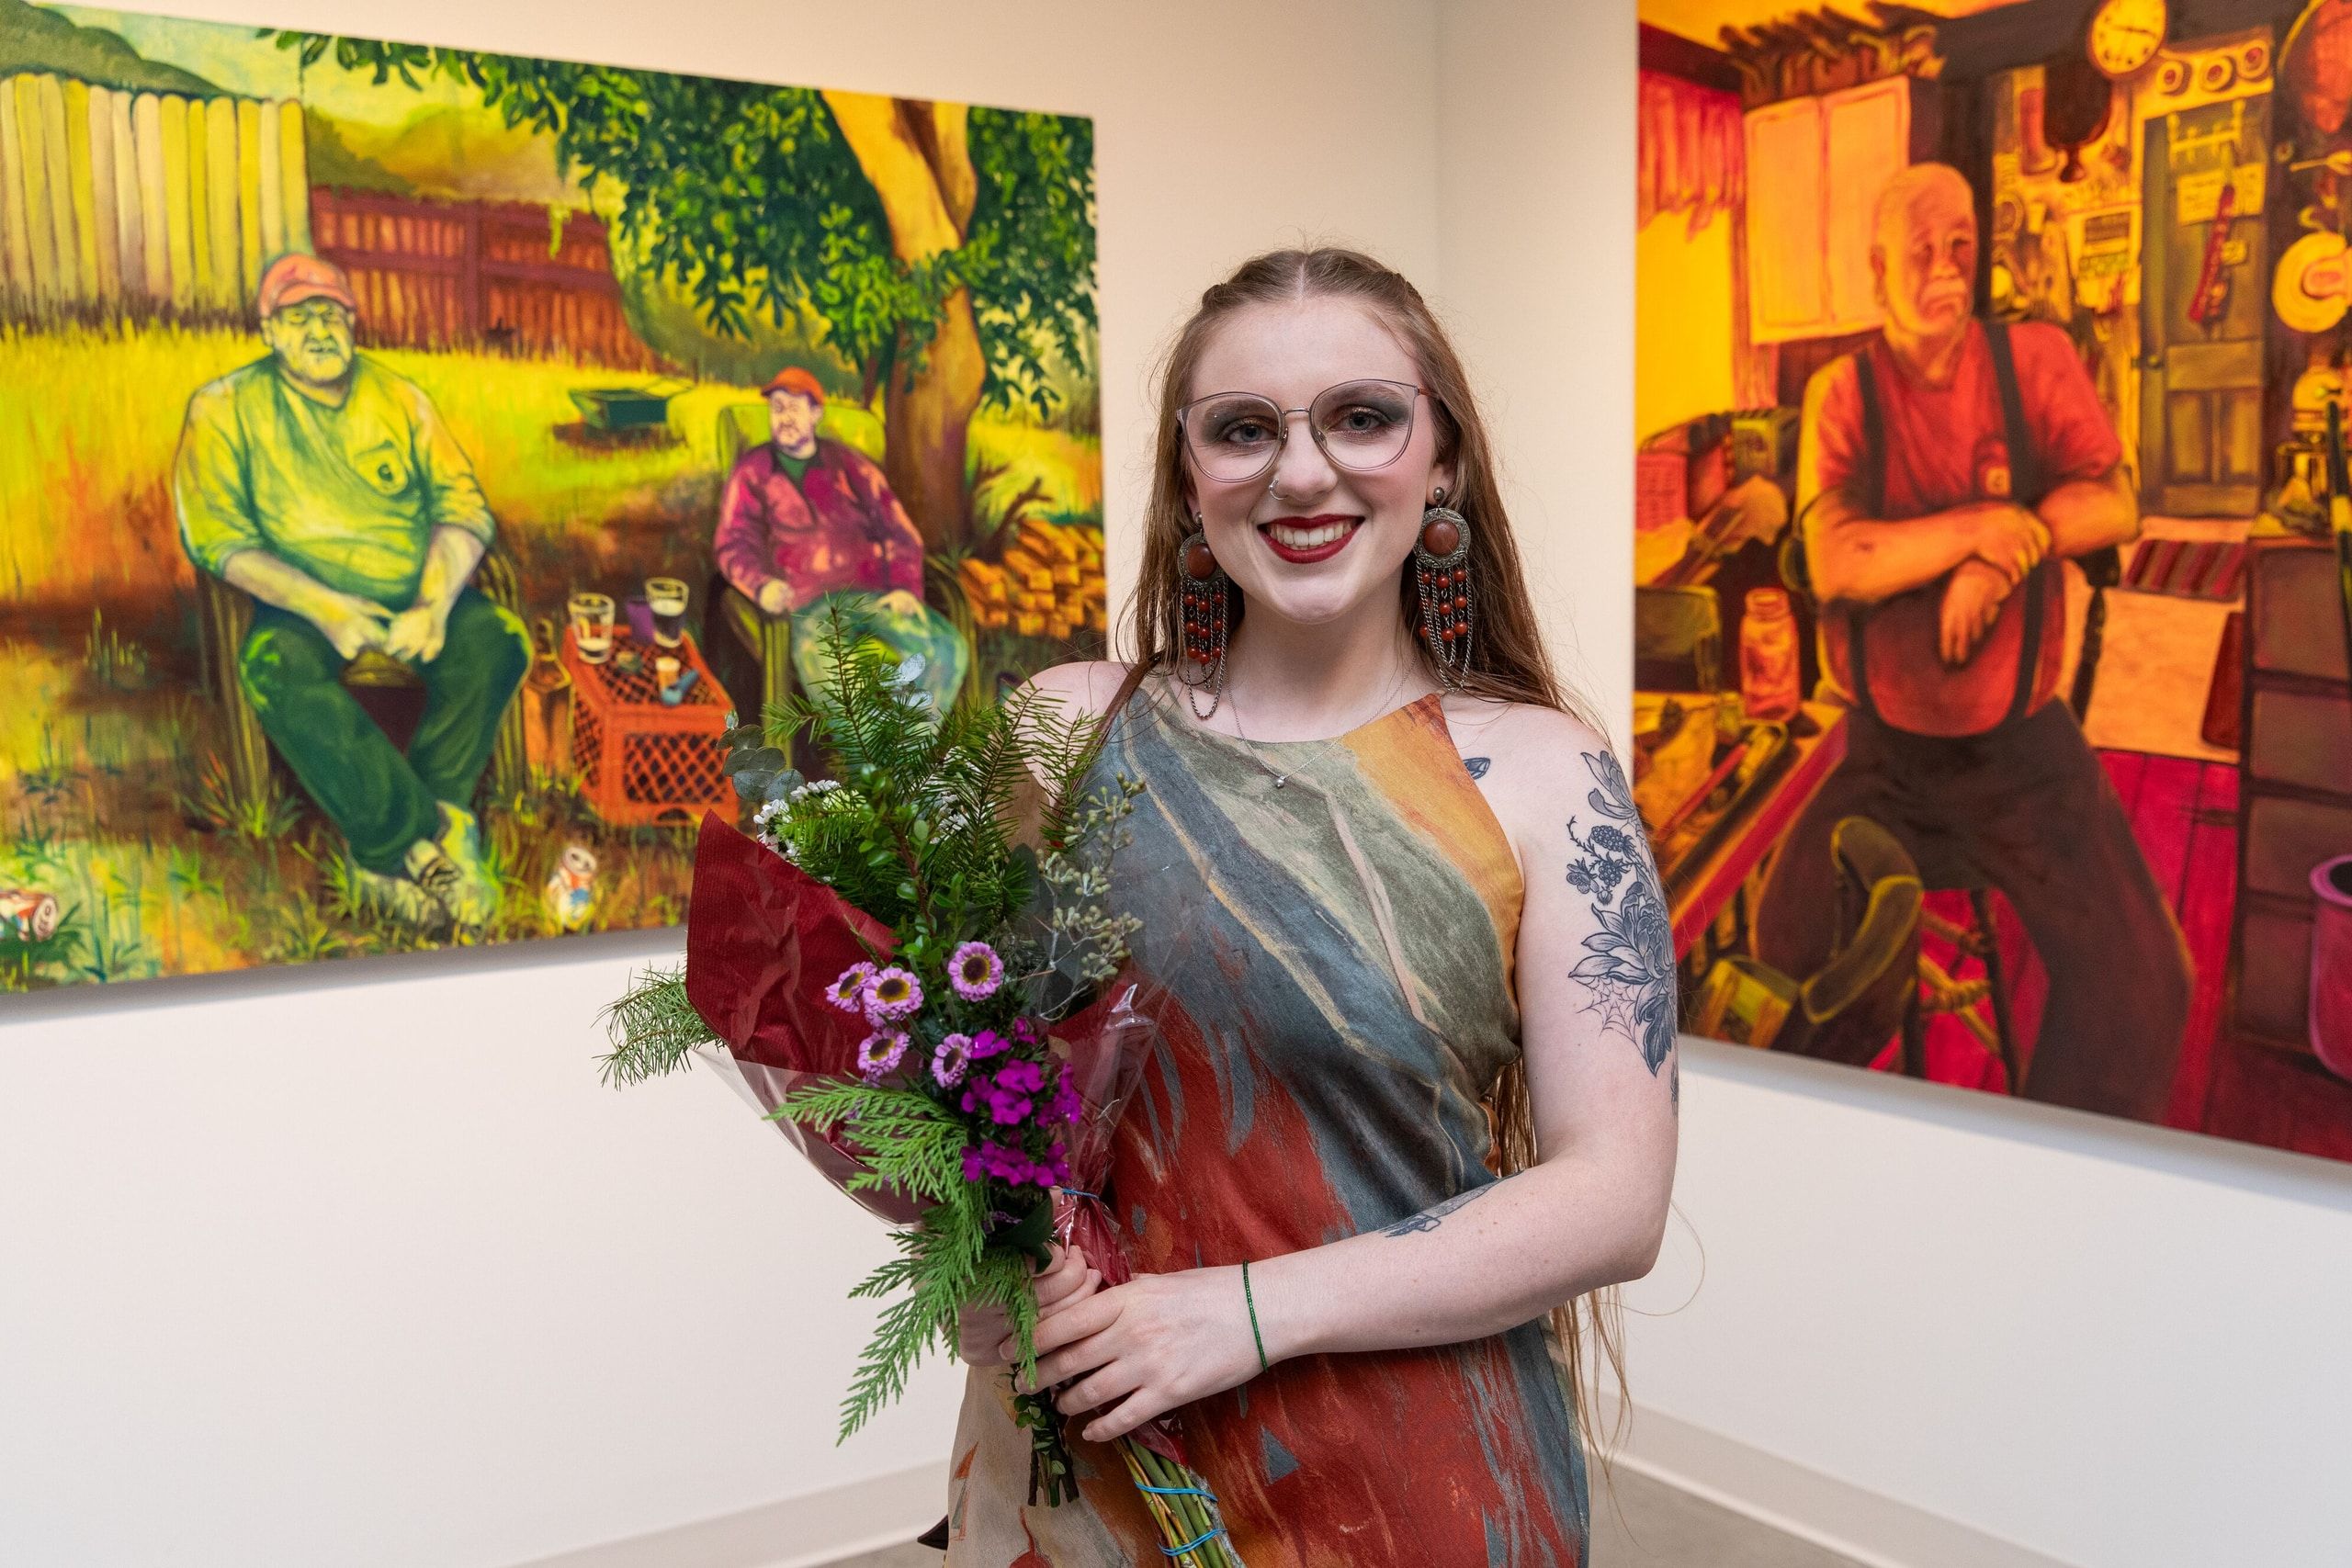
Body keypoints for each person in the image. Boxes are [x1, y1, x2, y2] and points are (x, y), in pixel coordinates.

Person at [934, 250, 1679, 1564]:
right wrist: (984, 1269)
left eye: (1362, 415)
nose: (1300, 471)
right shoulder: (1063, 732)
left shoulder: (1544, 773)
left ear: (1440, 455)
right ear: (1185, 474)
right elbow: (951, 1079)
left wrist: (1245, 1310)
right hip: (1089, 1457)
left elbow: (1615, 1194)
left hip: (1405, 1474)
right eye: (1243, 429)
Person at [1753, 164, 2191, 1117]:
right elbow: (1837, 560)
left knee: (2148, 983)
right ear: (1878, 271)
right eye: (1924, 253)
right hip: (1884, 759)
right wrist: (1979, 531)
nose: (1950, 269)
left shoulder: (2032, 358)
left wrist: (1998, 560)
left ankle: (2055, 1177)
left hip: (2026, 756)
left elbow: (2114, 501)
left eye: (1962, 248)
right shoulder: (1843, 391)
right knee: (1776, 960)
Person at [174, 253, 526, 933]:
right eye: (299, 316)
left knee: (498, 644)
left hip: (414, 598)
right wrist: (327, 608)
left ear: (353, 323)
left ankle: (409, 843)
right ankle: (415, 838)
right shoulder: (222, 409)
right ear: (269, 329)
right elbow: (219, 541)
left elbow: (463, 508)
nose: (319, 329)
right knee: (274, 669)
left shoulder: (400, 398)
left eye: (331, 314)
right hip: (303, 609)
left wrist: (434, 602)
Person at [712, 366, 967, 713]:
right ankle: (868, 763)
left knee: (947, 649)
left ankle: (907, 757)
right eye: (778, 408)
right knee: (839, 679)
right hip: (809, 605)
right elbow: (733, 542)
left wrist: (906, 586)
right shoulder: (752, 471)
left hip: (874, 596)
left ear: (816, 413)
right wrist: (761, 585)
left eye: (795, 407)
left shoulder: (848, 464)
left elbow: (896, 527)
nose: (785, 417)